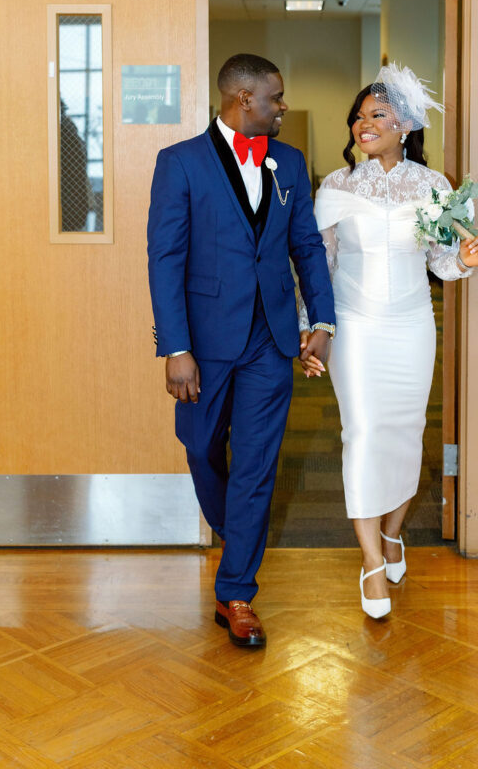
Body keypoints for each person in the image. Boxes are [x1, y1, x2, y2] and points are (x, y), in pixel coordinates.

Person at [147, 54, 335, 648]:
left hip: (271, 339)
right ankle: (237, 530)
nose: (283, 106)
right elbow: (165, 259)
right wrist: (175, 348)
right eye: (275, 97)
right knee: (201, 447)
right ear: (243, 100)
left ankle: (237, 594)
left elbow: (305, 247)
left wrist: (322, 320)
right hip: (203, 340)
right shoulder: (178, 163)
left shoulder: (291, 163)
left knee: (256, 463)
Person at [300, 63, 478, 619]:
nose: (364, 124)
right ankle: (371, 563)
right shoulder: (336, 186)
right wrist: (312, 329)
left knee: (406, 433)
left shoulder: (433, 187)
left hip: (412, 324)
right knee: (361, 432)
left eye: (377, 114)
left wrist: (464, 257)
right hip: (355, 324)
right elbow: (320, 263)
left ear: (405, 123)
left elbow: (440, 259)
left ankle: (392, 532)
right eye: (358, 116)